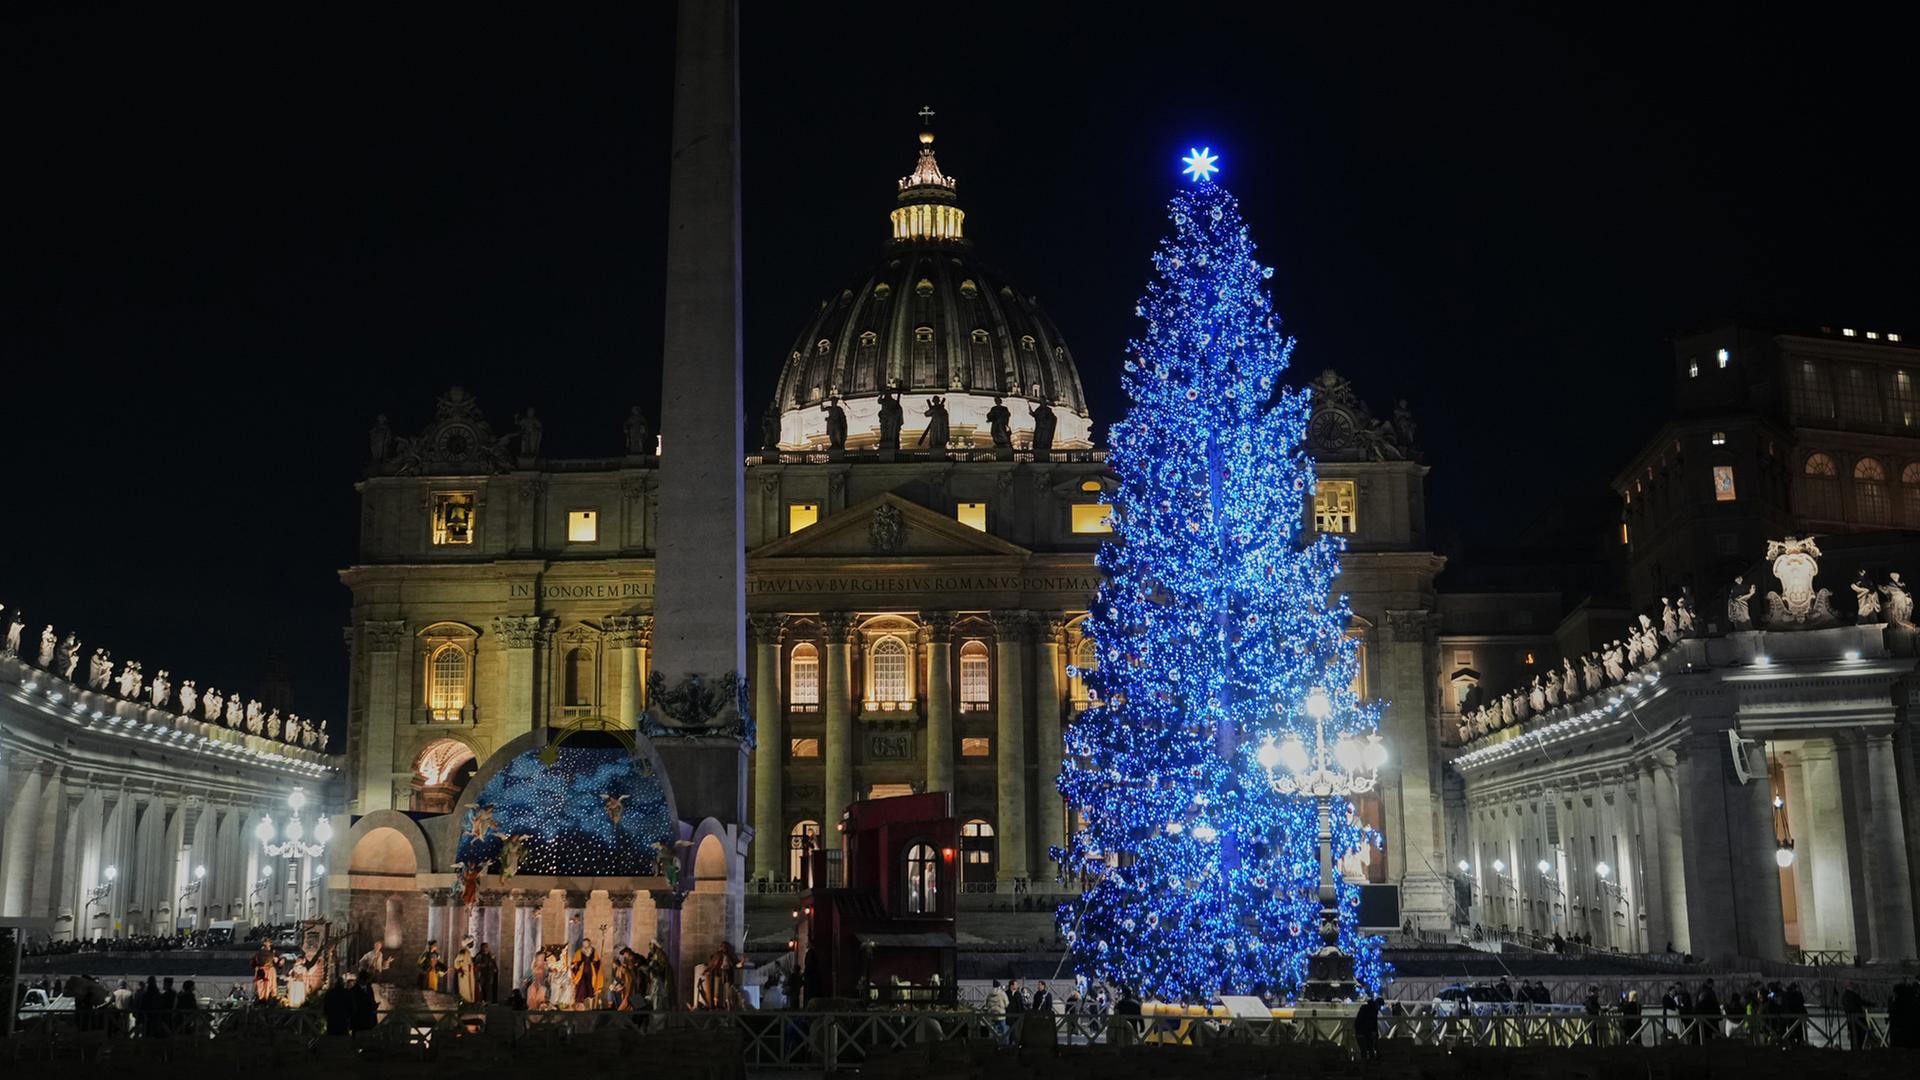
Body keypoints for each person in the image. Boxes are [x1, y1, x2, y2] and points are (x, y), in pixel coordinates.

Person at [1842, 982, 1868, 1050]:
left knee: (1853, 1036)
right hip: (1858, 1018)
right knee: (1860, 1035)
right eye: (1852, 986)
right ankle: (1859, 1049)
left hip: (1849, 1018)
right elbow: (1861, 1002)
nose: (1853, 987)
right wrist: (1873, 1004)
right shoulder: (1853, 995)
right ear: (1849, 987)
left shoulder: (1844, 996)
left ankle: (1854, 1050)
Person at [1355, 995, 1381, 1061]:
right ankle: (1368, 1066)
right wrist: (1374, 1033)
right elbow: (1372, 1023)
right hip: (1364, 1032)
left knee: (1365, 1050)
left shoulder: (1366, 1008)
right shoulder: (1372, 1011)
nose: (1380, 1008)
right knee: (1368, 1050)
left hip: (1362, 1032)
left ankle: (1365, 1066)